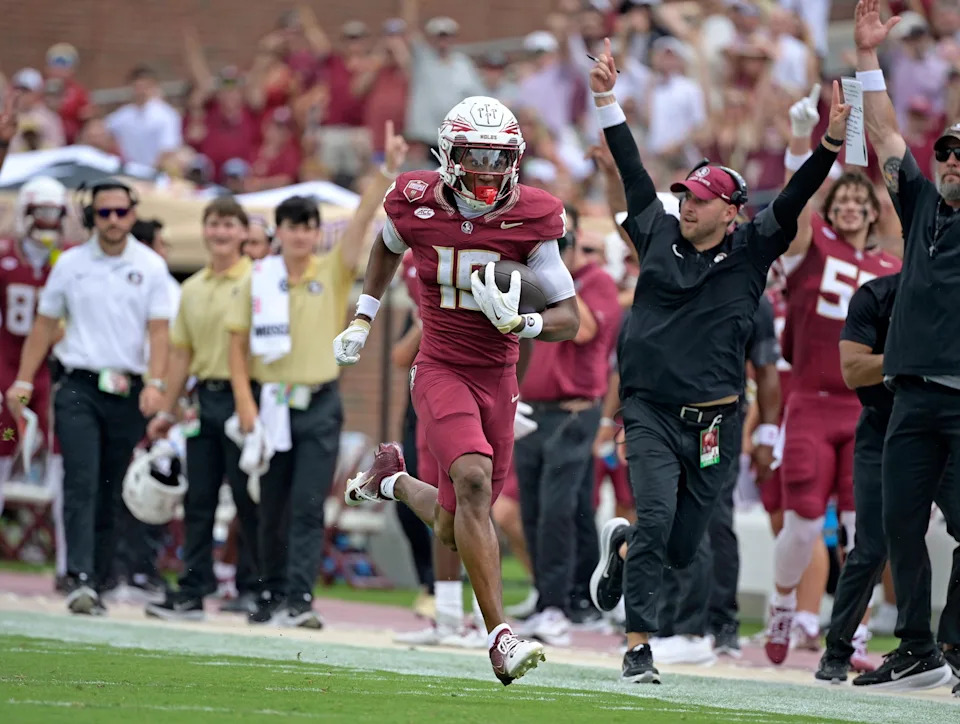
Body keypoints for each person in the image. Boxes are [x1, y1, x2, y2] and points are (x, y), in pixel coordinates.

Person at [585, 38, 849, 684]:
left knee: (681, 545)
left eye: (701, 198)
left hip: (715, 423)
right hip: (649, 411)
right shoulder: (653, 229)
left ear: (732, 213)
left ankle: (620, 547)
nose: (688, 203)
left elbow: (793, 201)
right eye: (687, 195)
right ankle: (638, 646)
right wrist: (606, 99)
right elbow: (631, 168)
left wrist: (830, 147)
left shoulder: (752, 251)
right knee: (655, 520)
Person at [334, 95, 580, 685]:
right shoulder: (415, 201)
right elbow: (385, 248)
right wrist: (364, 317)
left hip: (499, 375)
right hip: (441, 364)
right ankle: (501, 639)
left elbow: (570, 317)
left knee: (454, 522)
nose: (489, 170)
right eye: (476, 155)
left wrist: (527, 325)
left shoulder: (534, 215)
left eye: (500, 157)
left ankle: (391, 479)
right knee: (471, 480)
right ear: (450, 154)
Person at [228, 122, 408, 627]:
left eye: (309, 226)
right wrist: (244, 401)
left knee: (308, 505)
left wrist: (386, 172)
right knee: (270, 505)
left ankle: (301, 599)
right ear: (279, 232)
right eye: (292, 226)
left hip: (319, 402)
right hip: (270, 402)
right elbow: (236, 346)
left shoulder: (330, 272)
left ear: (315, 232)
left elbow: (359, 226)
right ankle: (266, 593)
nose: (301, 234)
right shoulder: (257, 277)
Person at [764, 84, 902, 665]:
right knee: (800, 525)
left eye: (858, 202)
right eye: (841, 201)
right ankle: (781, 602)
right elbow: (795, 210)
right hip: (812, 401)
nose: (848, 208)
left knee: (860, 528)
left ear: (871, 212)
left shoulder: (888, 261)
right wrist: (802, 142)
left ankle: (853, 632)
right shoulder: (812, 244)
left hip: (866, 406)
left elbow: (902, 215)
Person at [851, 0, 960, 691]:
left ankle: (955, 646)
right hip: (911, 397)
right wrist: (866, 58)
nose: (951, 161)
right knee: (896, 527)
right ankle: (917, 646)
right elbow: (887, 134)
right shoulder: (921, 204)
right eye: (947, 151)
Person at [5, 177, 171, 615]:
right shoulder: (71, 262)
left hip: (129, 389)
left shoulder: (151, 266)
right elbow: (44, 323)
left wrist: (156, 384)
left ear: (132, 215)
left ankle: (98, 577)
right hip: (77, 382)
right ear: (90, 217)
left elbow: (159, 331)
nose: (113, 220)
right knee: (79, 478)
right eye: (104, 212)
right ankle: (77, 576)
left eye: (120, 212)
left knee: (112, 487)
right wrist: (23, 381)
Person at [816, 273, 960, 686]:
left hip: (947, 429)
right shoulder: (876, 296)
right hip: (884, 428)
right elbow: (852, 370)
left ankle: (951, 647)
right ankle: (839, 650)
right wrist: (915, 359)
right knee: (875, 542)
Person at [143, 196, 260, 621]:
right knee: (199, 499)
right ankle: (193, 588)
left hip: (247, 397)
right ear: (205, 230)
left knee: (250, 499)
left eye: (230, 224)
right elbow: (179, 357)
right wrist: (166, 411)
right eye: (214, 224)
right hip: (202, 400)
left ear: (244, 232)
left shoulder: (258, 279)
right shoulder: (190, 288)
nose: (221, 232)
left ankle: (253, 588)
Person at [513, 225, 622, 647]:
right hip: (531, 410)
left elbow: (585, 329)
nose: (555, 256)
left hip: (575, 412)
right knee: (540, 511)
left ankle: (555, 606)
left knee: (557, 509)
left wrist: (554, 278)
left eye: (562, 248)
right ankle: (571, 599)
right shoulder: (531, 280)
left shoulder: (596, 282)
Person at [0, 177, 70, 573]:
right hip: (9, 373)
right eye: (41, 214)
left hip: (52, 377)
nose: (47, 223)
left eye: (54, 215)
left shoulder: (69, 261)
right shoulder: (6, 259)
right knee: (3, 451)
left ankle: (66, 566)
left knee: (62, 464)